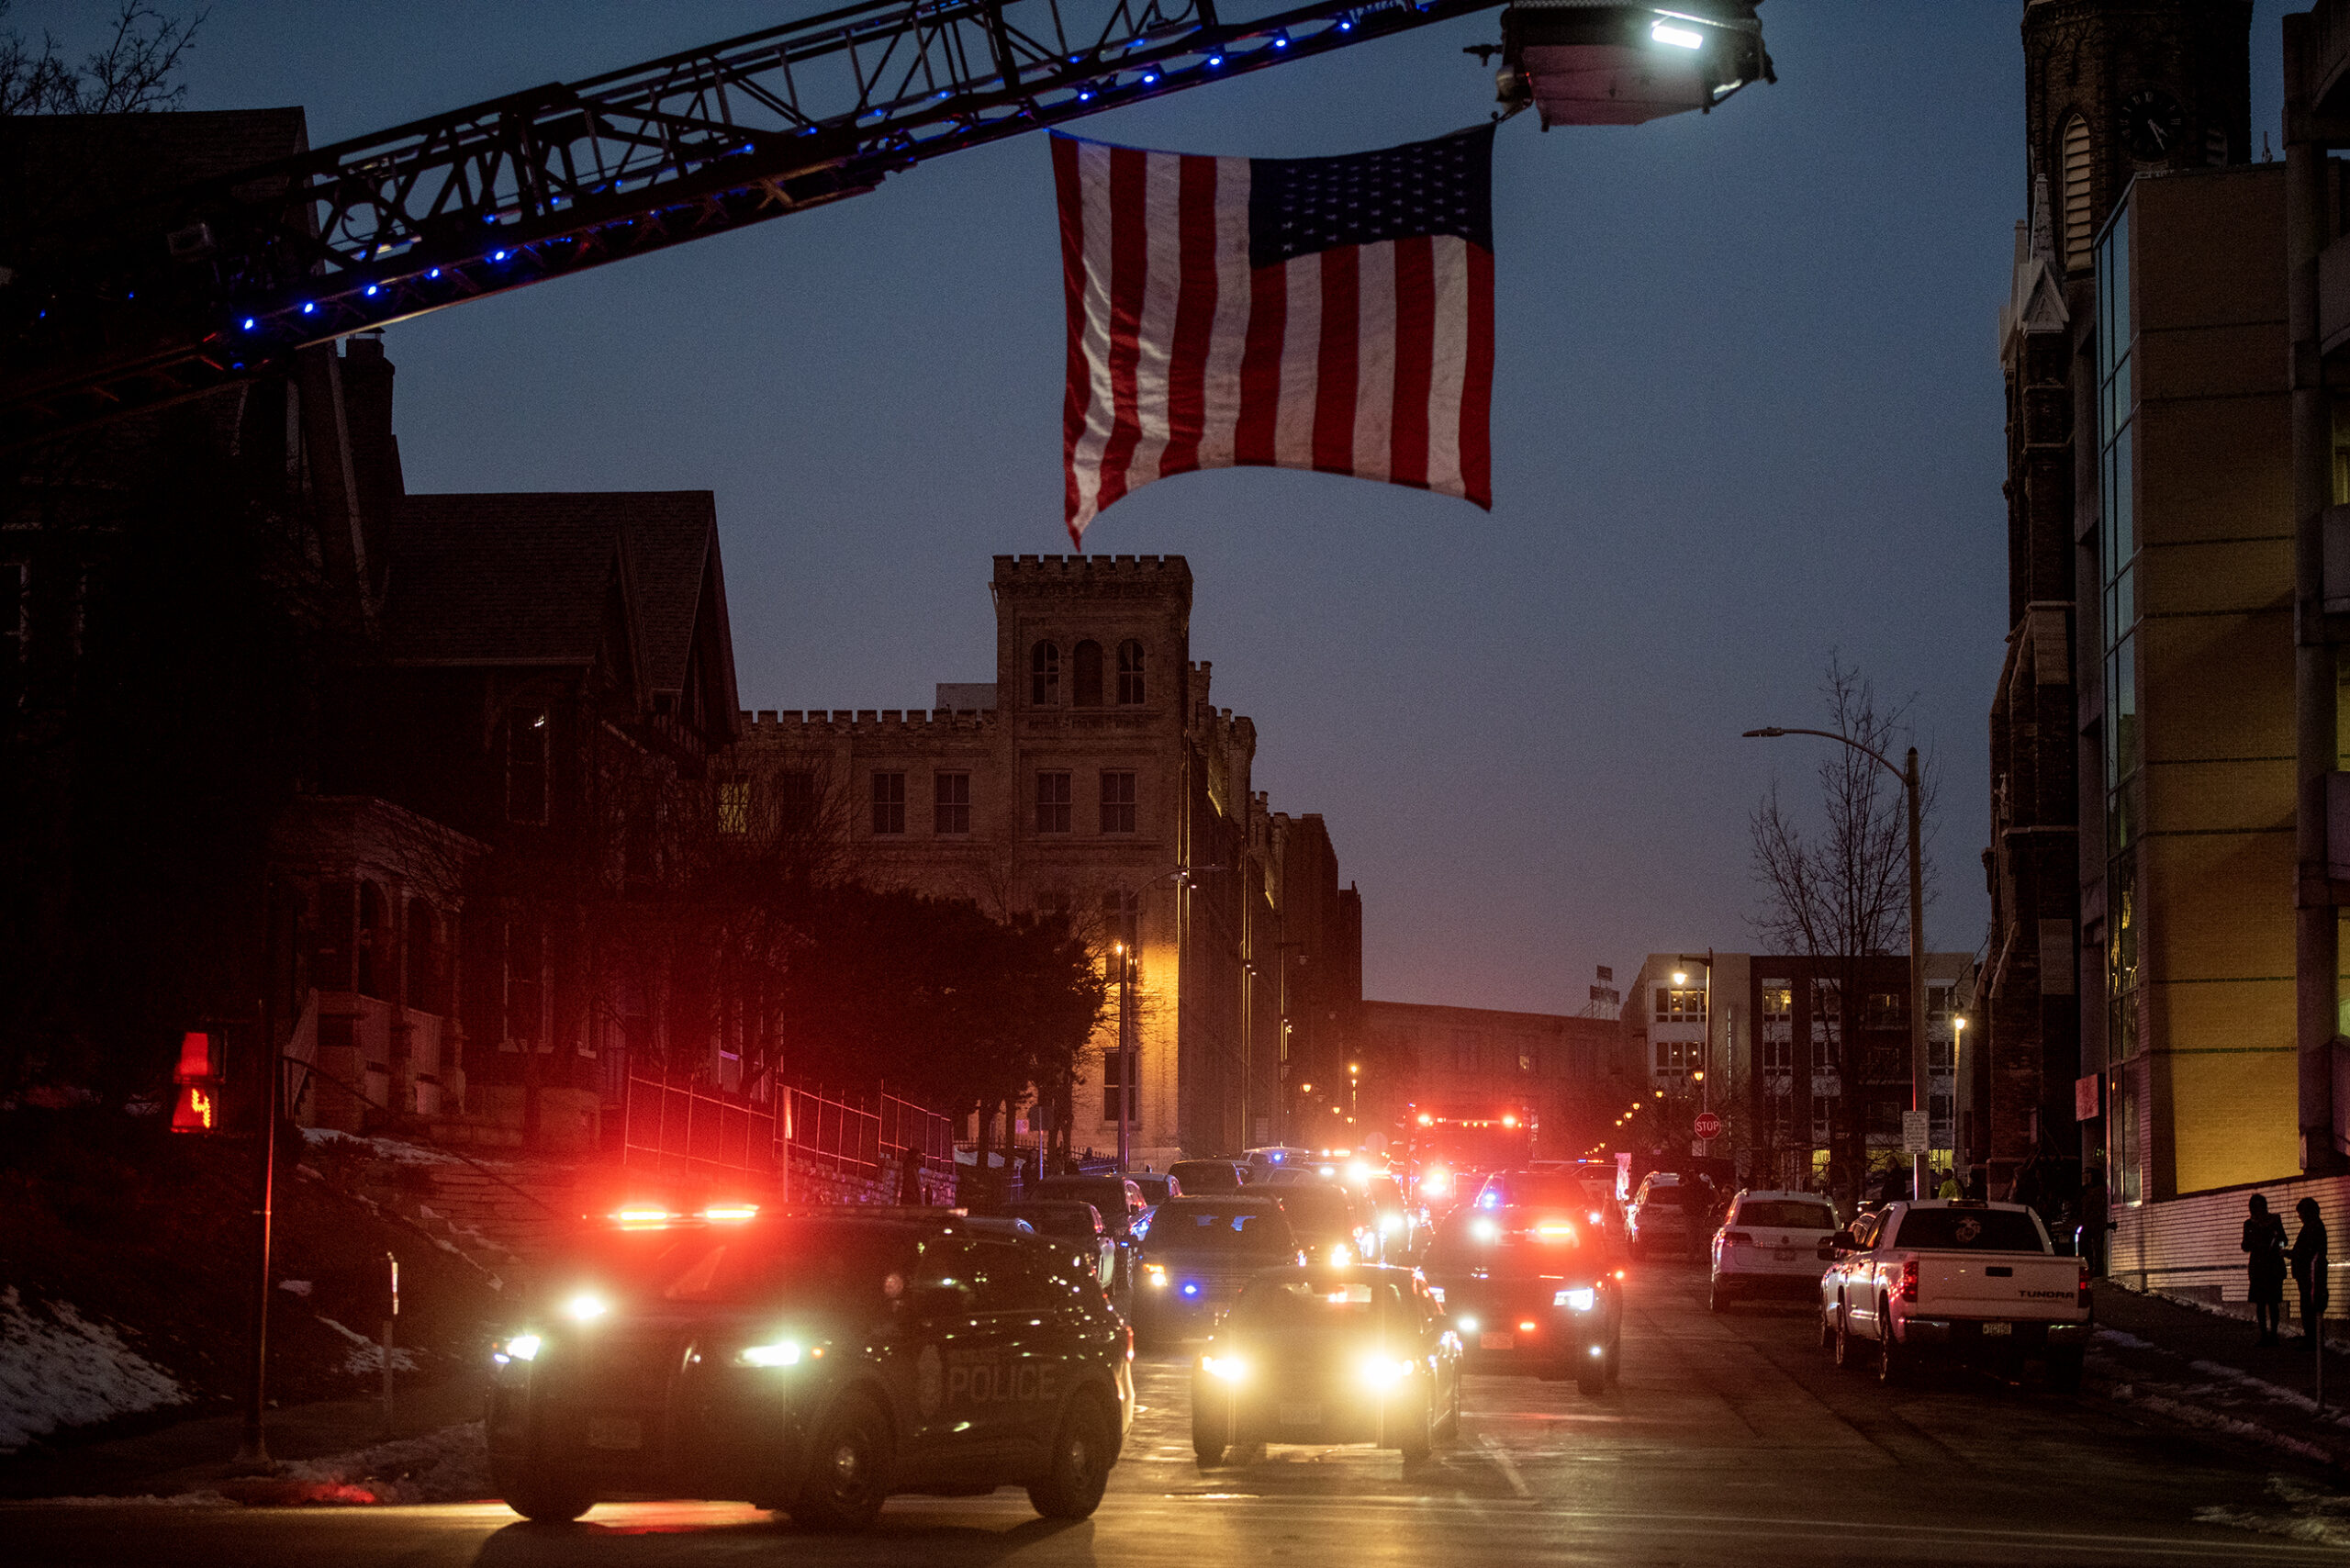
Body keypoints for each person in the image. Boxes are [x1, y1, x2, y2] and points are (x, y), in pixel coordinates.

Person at [2244, 1193, 2289, 1344]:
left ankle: (2271, 1335)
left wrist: (2280, 1250)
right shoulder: (2251, 1224)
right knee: (2264, 1302)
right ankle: (2266, 1335)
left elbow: (2284, 1240)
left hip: (2268, 1266)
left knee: (2269, 1302)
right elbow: (2245, 1244)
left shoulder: (2271, 1221)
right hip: (2264, 1266)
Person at [2292, 1197, 2331, 1344]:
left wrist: (2288, 1253)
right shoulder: (2314, 1226)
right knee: (2310, 1305)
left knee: (2309, 1305)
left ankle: (2312, 1339)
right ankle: (2312, 1337)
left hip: (2310, 1273)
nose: (2299, 1216)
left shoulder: (2312, 1227)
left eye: (2301, 1213)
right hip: (2311, 1273)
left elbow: (2304, 1251)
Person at [2077, 1166, 2109, 1278]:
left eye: (2088, 1174)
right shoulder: (2086, 1190)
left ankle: (2097, 1269)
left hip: (2095, 1223)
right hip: (2088, 1223)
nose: (2085, 1177)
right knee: (2088, 1246)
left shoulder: (2098, 1191)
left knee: (2096, 1246)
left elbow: (2096, 1208)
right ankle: (2090, 1267)